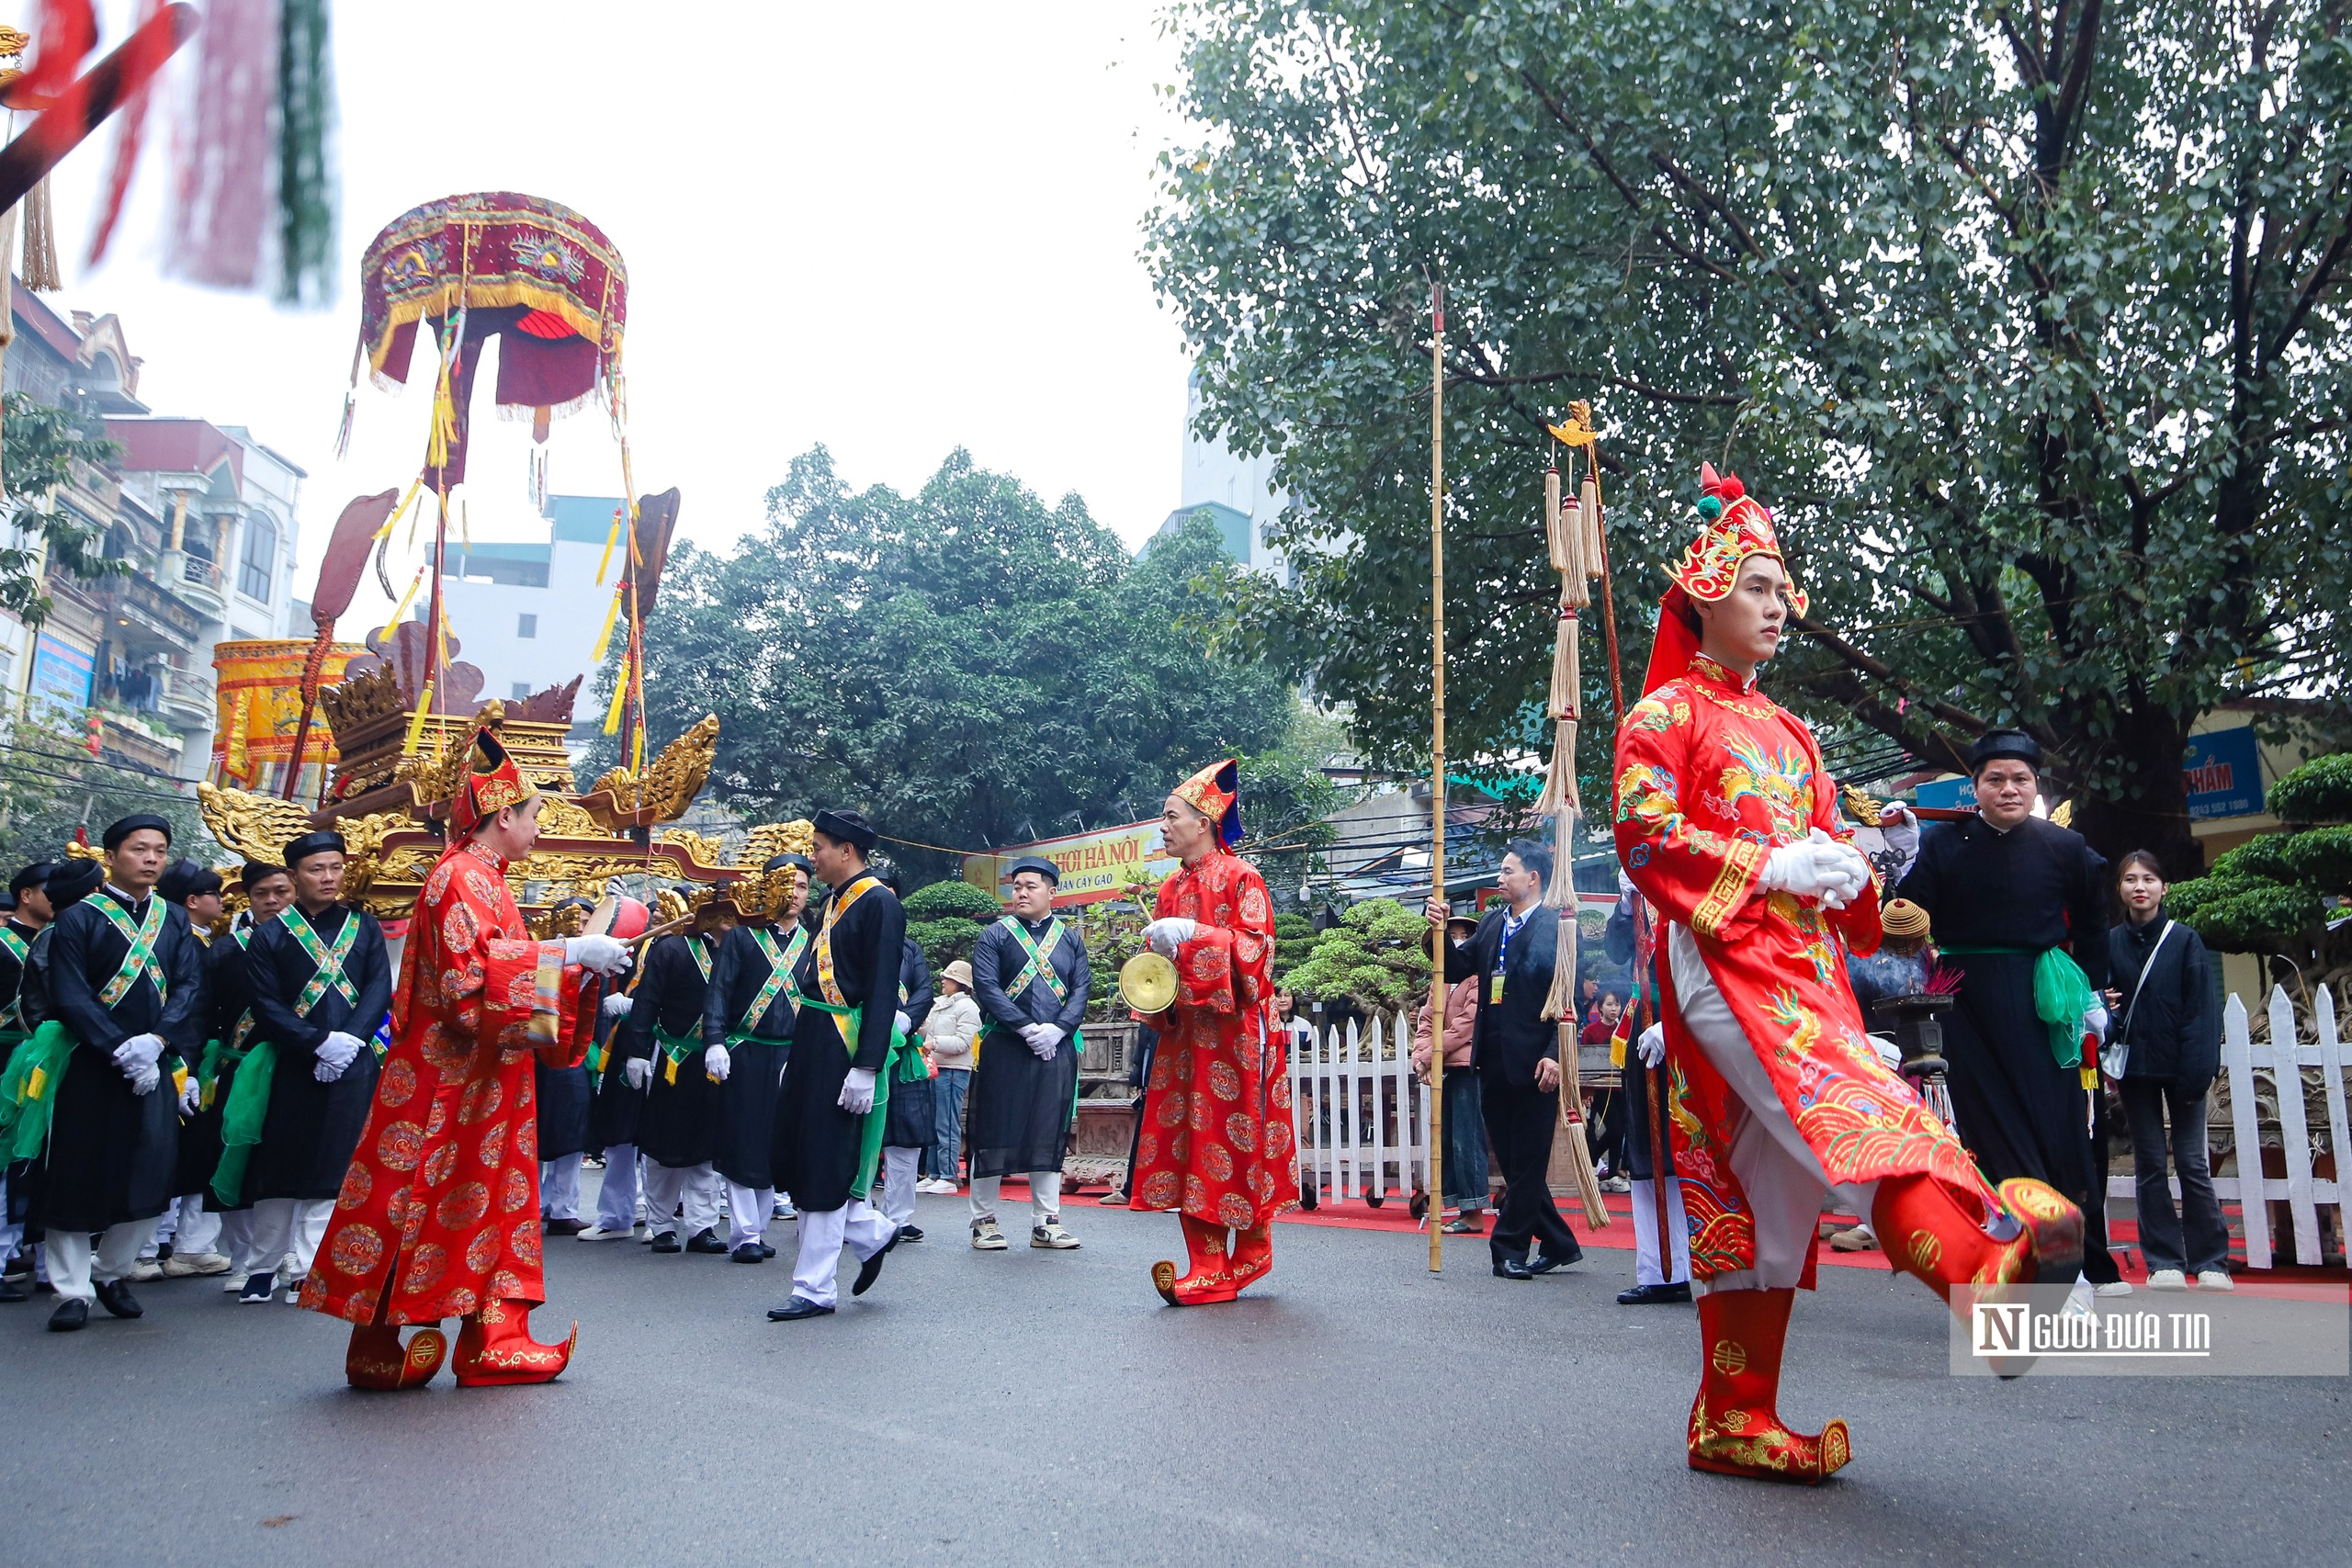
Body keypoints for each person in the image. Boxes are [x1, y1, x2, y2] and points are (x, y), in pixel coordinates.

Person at [1612, 464, 2086, 1482]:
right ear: (1703, 594)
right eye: (1758, 588)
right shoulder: (1660, 718)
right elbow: (1641, 835)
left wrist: (1849, 865)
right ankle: (1977, 1285)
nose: (1779, 608)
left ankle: (1733, 1417)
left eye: (1783, 590)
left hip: (1805, 971)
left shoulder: (1790, 731)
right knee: (1854, 1122)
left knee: (1767, 1191)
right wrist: (1767, 865)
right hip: (1728, 963)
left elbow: (1834, 845)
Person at [300, 725, 630, 1390]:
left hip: (481, 1079)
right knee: (419, 1199)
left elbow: (500, 979)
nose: (540, 829)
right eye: (536, 815)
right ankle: (405, 1343)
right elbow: (466, 988)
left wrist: (574, 971)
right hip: (447, 1084)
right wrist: (568, 955)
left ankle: (484, 1338)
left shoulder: (486, 879)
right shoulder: (461, 878)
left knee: (475, 1202)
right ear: (502, 814)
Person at [1894, 728, 2115, 1291]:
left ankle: (2071, 1259)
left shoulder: (2065, 847)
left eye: (2021, 779)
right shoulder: (1944, 845)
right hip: (1966, 1001)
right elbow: (1906, 917)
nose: (2009, 789)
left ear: (2037, 787)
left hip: (2045, 998)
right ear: (1975, 788)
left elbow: (2093, 923)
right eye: (1996, 779)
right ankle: (2017, 1256)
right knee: (1988, 1126)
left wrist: (2090, 992)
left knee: (2056, 1123)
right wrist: (1900, 853)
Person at [18, 817, 204, 1332]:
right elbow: (69, 993)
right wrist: (120, 1047)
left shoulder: (172, 918)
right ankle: (71, 1290)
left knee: (151, 1172)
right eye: (139, 848)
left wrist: (158, 1042)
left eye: (160, 850)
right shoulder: (79, 918)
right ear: (112, 856)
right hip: (90, 1064)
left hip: (155, 1063)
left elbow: (189, 986)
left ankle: (111, 1271)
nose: (150, 859)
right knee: (76, 1174)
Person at [1130, 760, 1293, 1305]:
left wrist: (1197, 933)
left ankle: (1249, 1251)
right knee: (1184, 1145)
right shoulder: (1170, 887)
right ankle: (1207, 1263)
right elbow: (1159, 971)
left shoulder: (1243, 877)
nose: (1163, 825)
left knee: (1232, 1139)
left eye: (1170, 816)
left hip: (1236, 1037)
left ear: (1203, 821)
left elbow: (1257, 957)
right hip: (1184, 1038)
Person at [228, 830, 394, 1307]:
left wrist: (349, 1042)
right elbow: (266, 1004)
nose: (328, 877)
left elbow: (378, 989)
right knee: (279, 1164)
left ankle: (310, 1265)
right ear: (294, 875)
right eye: (316, 869)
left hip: (353, 1062)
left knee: (334, 1165)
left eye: (336, 867)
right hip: (291, 1062)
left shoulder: (363, 927)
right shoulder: (271, 934)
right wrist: (316, 1043)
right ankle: (263, 1265)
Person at [766, 809, 909, 1321]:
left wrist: (867, 1066)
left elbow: (881, 990)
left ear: (847, 850)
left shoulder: (880, 904)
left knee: (825, 1158)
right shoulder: (831, 902)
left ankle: (814, 1287)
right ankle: (873, 1232)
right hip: (812, 1038)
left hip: (845, 1044)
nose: (814, 857)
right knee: (804, 1153)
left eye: (820, 847)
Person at [1424, 842, 1583, 1280]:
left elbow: (1571, 1003)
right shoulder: (1493, 922)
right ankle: (1558, 1242)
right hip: (1491, 1060)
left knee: (1528, 1161)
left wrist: (1555, 1055)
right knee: (1516, 1165)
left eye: (1508, 870)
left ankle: (1507, 1249)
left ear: (1533, 878)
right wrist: (1436, 930)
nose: (1500, 877)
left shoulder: (1560, 928)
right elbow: (1457, 966)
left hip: (1536, 1065)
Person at [2106, 851, 2230, 1293]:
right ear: (2120, 888)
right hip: (2136, 1071)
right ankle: (2163, 1260)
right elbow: (2102, 1012)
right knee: (2151, 1165)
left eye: (2149, 879)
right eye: (2130, 879)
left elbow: (2201, 1013)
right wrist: (2107, 1008)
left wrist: (2196, 1076)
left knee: (2193, 1163)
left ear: (2164, 888)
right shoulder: (2111, 943)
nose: (2140, 887)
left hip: (2183, 1070)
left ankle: (2211, 1259)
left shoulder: (2185, 941)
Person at [967, 855, 1090, 1251]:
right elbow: (987, 988)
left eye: (1030, 886)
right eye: (1016, 886)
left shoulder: (1070, 938)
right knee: (992, 1130)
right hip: (1005, 1044)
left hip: (1055, 1048)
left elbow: (1081, 990)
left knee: (1048, 1130)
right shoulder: (995, 935)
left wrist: (1057, 1029)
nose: (1020, 892)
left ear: (1052, 892)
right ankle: (983, 1220)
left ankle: (1046, 1221)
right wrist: (1025, 1027)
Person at [190, 861, 297, 1291]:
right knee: (232, 1157)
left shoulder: (319, 949)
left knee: (285, 1161)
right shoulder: (225, 951)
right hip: (236, 1068)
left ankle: (286, 1254)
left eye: (280, 891)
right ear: (247, 899)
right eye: (261, 894)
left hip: (295, 1068)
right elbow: (203, 1012)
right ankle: (242, 1259)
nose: (271, 901)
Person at [704, 854, 813, 1264]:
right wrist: (715, 1040)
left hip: (794, 1053)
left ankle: (761, 1227)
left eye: (803, 886)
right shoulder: (742, 938)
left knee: (778, 1141)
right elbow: (718, 991)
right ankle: (745, 1233)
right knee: (743, 1140)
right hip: (746, 1051)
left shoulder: (816, 941)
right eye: (788, 885)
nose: (796, 894)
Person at [628, 884, 735, 1258]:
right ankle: (661, 1225)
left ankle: (702, 1225)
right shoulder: (670, 948)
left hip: (712, 1060)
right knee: (662, 1147)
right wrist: (637, 1051)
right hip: (672, 1058)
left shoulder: (732, 951)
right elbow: (646, 1001)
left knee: (705, 1149)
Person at [0, 862, 57, 1303]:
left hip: (45, 1065)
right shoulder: (3, 944)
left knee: (37, 1160)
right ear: (26, 895)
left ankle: (38, 1258)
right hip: (5, 1062)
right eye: (48, 891)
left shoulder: (59, 942)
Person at [534, 897, 605, 1238]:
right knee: (530, 1130)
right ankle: (529, 1205)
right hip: (535, 1051)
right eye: (574, 919)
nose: (579, 926)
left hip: (573, 1054)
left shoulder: (597, 963)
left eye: (586, 920)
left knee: (572, 1131)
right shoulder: (539, 953)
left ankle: (564, 1209)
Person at [875, 865, 937, 1243]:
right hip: (856, 1048)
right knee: (859, 1134)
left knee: (906, 1138)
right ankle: (855, 1212)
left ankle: (898, 1216)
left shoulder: (910, 948)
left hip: (903, 1055)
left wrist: (903, 1022)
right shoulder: (845, 941)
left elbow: (924, 993)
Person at [1411, 916, 1484, 1233]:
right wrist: (1421, 1058)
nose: (1456, 940)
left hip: (1468, 1065)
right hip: (1444, 1065)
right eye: (1450, 936)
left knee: (1466, 1139)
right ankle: (1458, 1205)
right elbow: (1426, 1022)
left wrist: (1429, 1056)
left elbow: (1465, 1026)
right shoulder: (1438, 983)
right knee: (1448, 1138)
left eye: (1462, 935)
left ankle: (1474, 1210)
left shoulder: (1477, 978)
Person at [917, 959, 979, 1194]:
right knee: (934, 1122)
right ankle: (934, 1173)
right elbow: (928, 1030)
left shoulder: (968, 1007)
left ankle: (948, 1174)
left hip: (954, 1069)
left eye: (948, 978)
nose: (943, 981)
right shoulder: (938, 1004)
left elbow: (965, 1042)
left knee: (947, 1122)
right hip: (935, 1066)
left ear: (960, 983)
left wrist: (935, 1043)